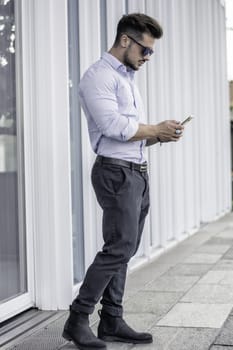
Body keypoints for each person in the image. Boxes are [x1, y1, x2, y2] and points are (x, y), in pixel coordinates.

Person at [63, 13, 184, 350]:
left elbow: (132, 133)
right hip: (115, 172)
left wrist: (159, 136)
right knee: (118, 247)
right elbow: (115, 128)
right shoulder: (98, 77)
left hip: (136, 172)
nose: (148, 58)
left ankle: (112, 320)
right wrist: (154, 128)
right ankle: (77, 318)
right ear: (126, 40)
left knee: (125, 249)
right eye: (146, 50)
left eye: (152, 53)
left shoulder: (128, 79)